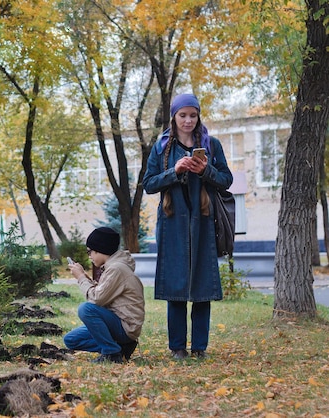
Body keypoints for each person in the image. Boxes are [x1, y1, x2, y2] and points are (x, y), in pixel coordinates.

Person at [142, 93, 233, 359]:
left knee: (203, 287)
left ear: (198, 116)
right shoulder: (161, 147)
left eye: (193, 115)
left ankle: (200, 348)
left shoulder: (211, 145)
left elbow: (226, 180)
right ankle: (177, 348)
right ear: (174, 116)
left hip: (204, 223)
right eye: (183, 115)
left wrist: (205, 170)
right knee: (176, 287)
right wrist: (176, 171)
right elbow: (148, 184)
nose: (188, 120)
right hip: (173, 225)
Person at [63, 227, 145, 364]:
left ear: (100, 250)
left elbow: (96, 299)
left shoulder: (117, 269)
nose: (89, 256)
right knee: (71, 340)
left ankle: (111, 353)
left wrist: (81, 278)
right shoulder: (114, 267)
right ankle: (121, 348)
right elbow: (101, 294)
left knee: (86, 309)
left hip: (125, 327)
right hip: (116, 322)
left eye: (90, 251)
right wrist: (84, 277)